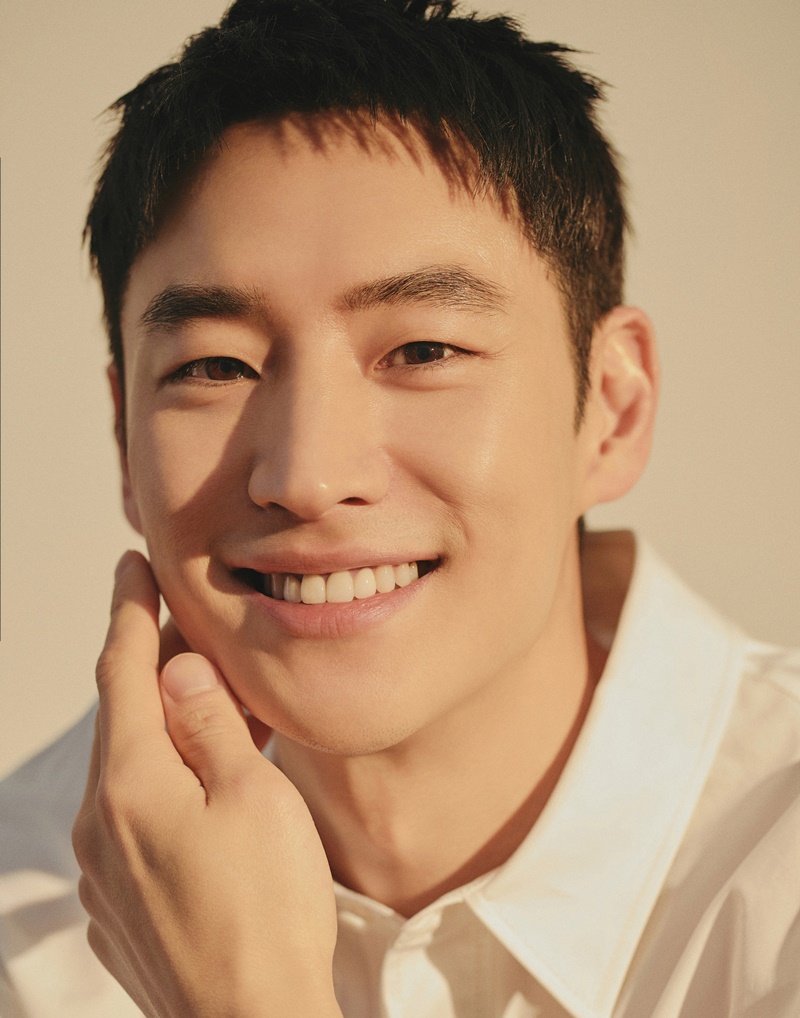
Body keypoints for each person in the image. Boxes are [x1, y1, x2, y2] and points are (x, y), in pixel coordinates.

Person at [1, 1, 798, 1015]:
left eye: (422, 351)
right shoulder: (26, 911)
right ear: (123, 438)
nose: (305, 474)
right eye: (214, 366)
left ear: (611, 407)